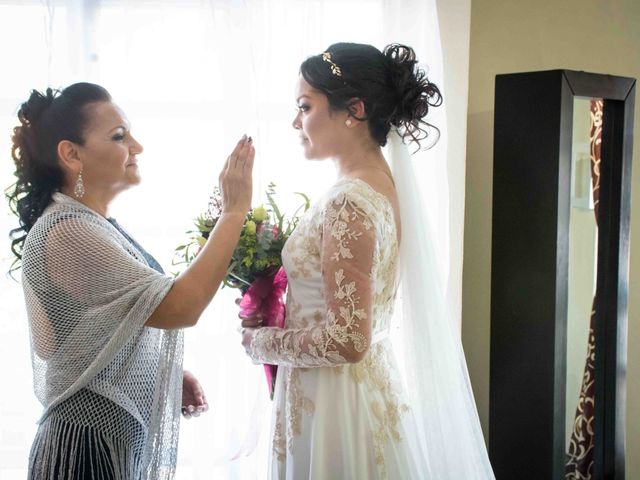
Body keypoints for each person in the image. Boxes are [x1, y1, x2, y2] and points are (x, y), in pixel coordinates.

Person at [239, 43, 495, 479]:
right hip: (351, 391)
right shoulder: (376, 185)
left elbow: (347, 340)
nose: (296, 122)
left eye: (305, 106)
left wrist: (259, 342)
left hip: (337, 406)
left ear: (353, 109)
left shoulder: (349, 202)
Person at [7, 82, 254, 479]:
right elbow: (181, 306)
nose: (136, 147)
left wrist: (160, 374)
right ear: (71, 154)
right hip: (84, 452)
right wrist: (233, 212)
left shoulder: (92, 225)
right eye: (119, 136)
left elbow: (68, 343)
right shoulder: (68, 230)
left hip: (103, 442)